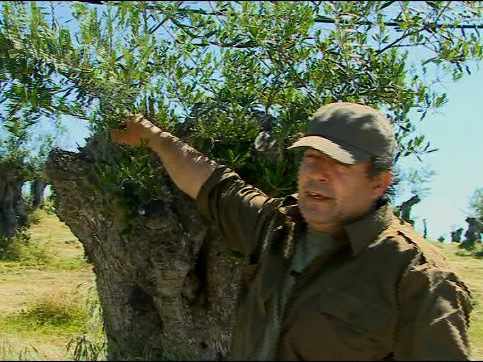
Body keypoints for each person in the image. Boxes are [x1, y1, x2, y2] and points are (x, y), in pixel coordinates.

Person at [111, 102, 473, 361]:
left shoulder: (418, 278)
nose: (317, 173)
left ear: (379, 183)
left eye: (339, 164)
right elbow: (211, 182)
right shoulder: (275, 228)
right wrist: (152, 136)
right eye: (311, 158)